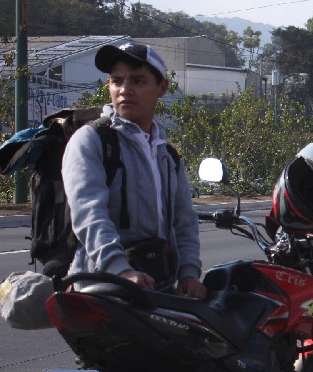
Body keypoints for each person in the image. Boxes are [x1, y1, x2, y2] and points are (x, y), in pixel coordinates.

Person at [62, 42, 207, 300]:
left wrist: (189, 273)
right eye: (117, 81)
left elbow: (184, 222)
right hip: (103, 290)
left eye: (138, 81)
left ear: (162, 88)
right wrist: (121, 270)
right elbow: (89, 214)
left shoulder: (167, 155)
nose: (125, 90)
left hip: (159, 289)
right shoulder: (91, 140)